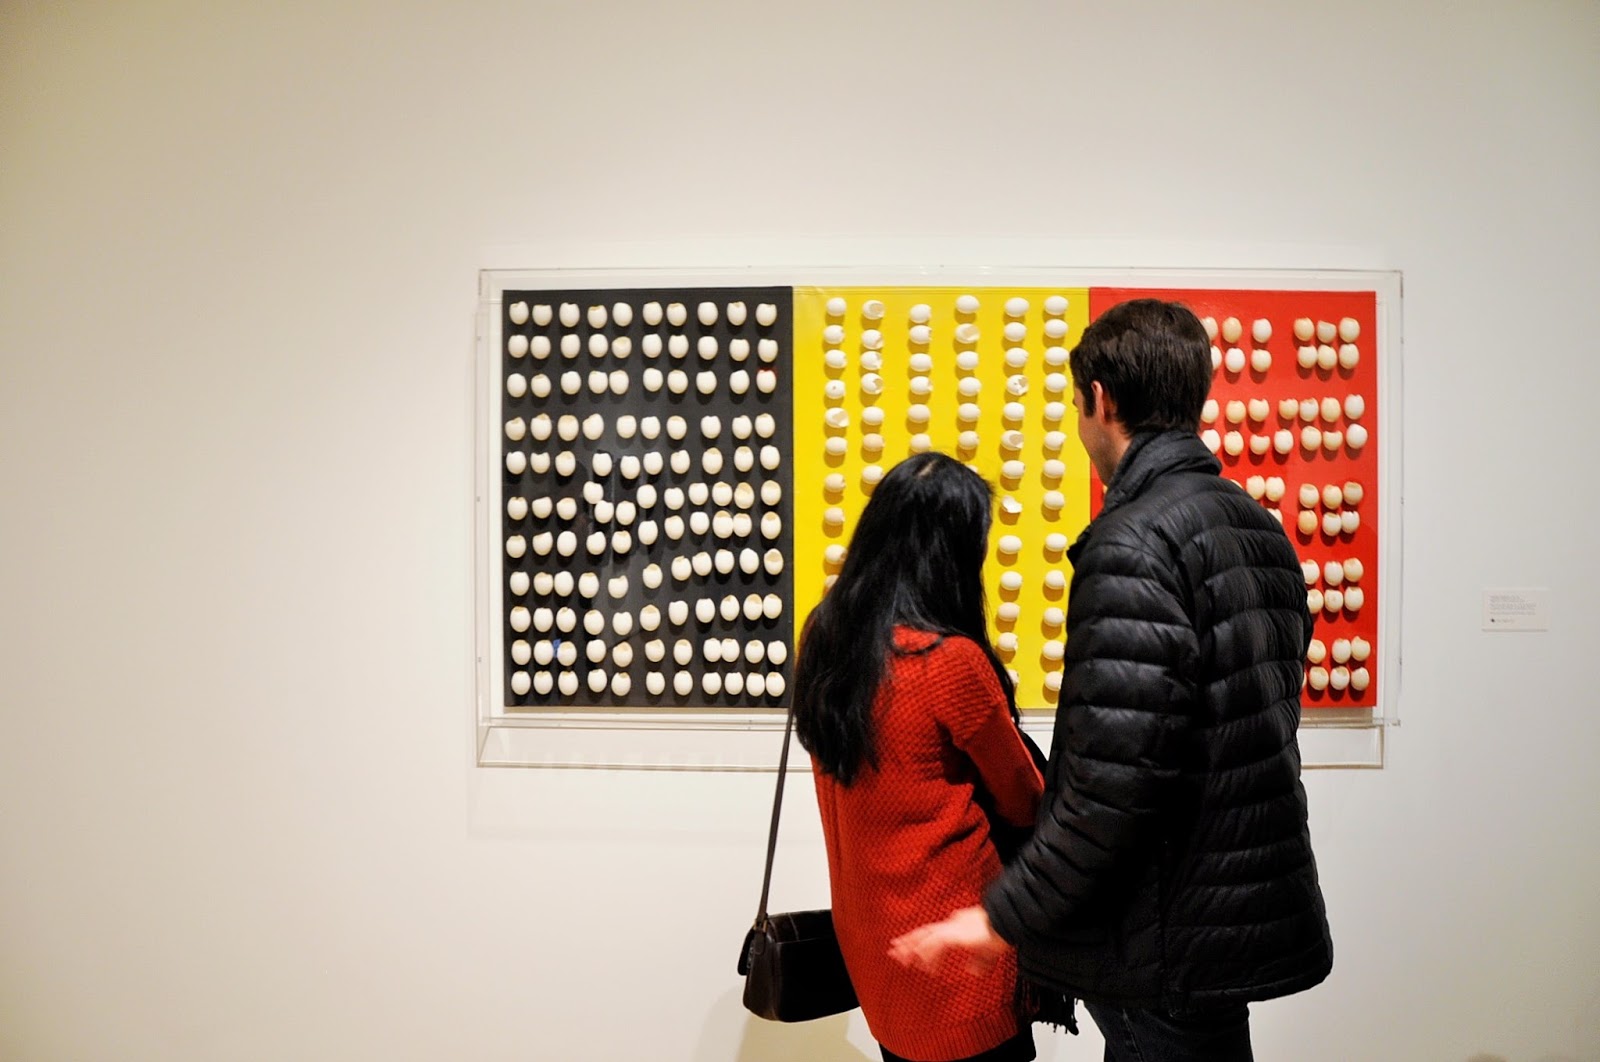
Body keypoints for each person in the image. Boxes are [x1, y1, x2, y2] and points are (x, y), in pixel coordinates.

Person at [889, 299, 1334, 1061]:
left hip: (1161, 929)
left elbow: (1111, 782)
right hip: (1225, 915)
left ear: (1101, 399)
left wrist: (1002, 917)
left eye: (1076, 406)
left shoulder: (1133, 543)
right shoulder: (1256, 528)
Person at [793, 452, 1046, 1062]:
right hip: (957, 954)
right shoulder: (946, 662)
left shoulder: (824, 636)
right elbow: (1025, 800)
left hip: (876, 949)